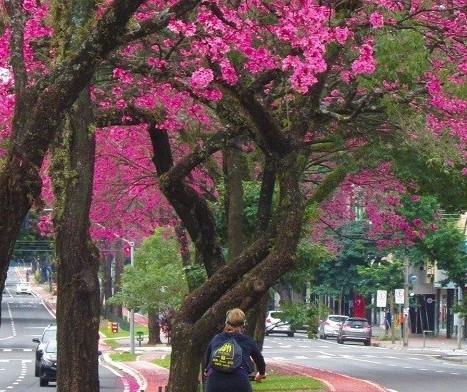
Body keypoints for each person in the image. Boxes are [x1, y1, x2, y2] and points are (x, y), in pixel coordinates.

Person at [204, 308, 266, 392]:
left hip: (215, 381)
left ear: (226, 322)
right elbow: (259, 359)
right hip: (239, 382)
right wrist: (261, 374)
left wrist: (206, 370)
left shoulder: (217, 338)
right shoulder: (248, 341)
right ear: (243, 324)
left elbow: (208, 359)